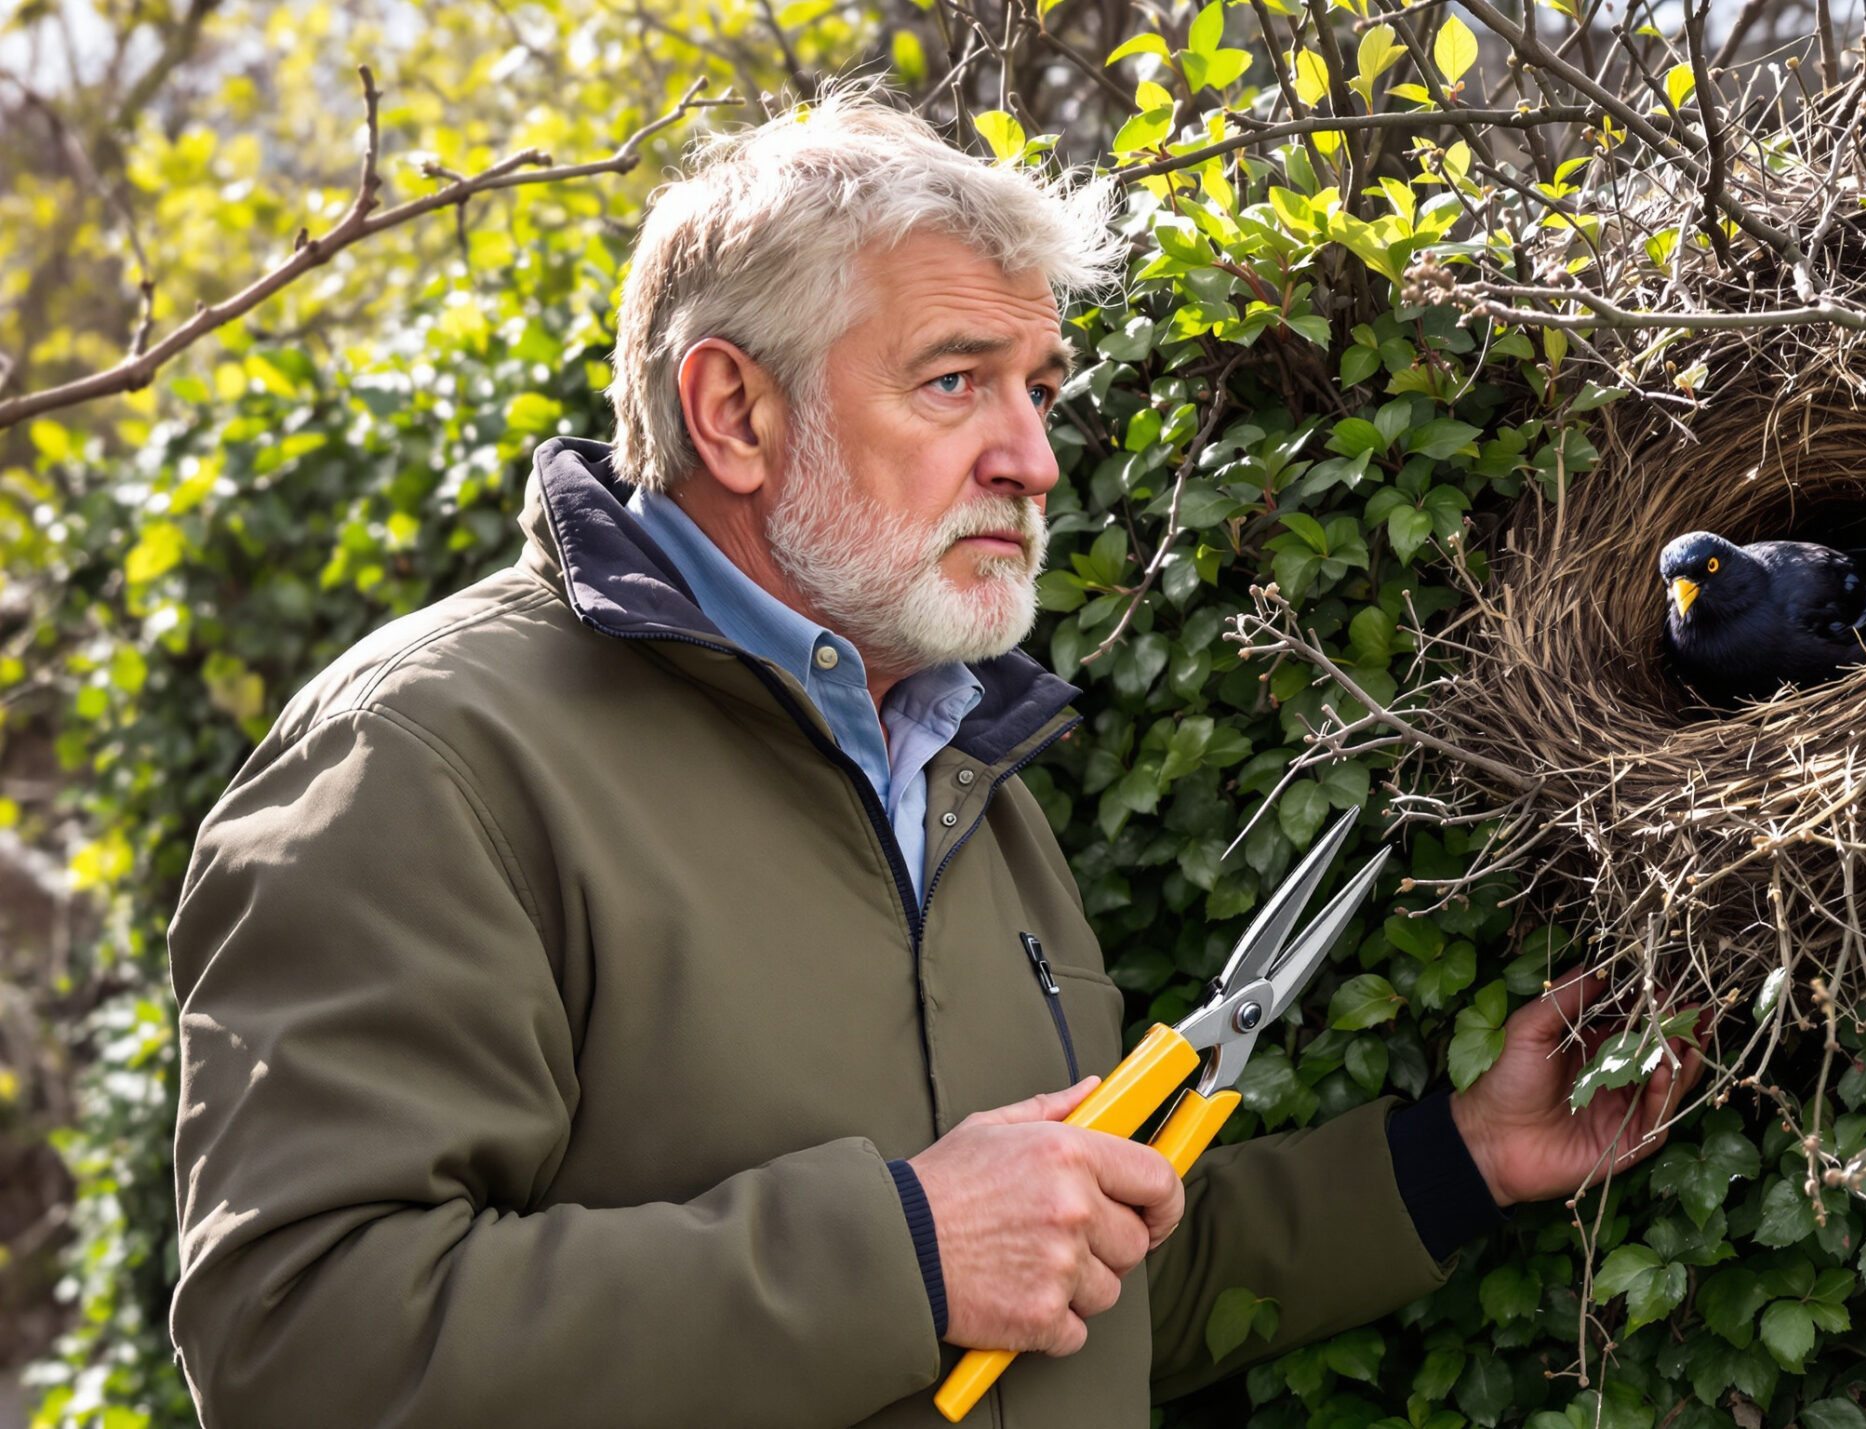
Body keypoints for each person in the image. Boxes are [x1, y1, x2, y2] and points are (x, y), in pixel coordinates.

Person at [164, 84, 1701, 1428]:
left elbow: (1071, 1291)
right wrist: (896, 1252)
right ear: (735, 413)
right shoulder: (428, 757)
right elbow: (301, 1343)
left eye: (1040, 388)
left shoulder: (964, 771)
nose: (1033, 455)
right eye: (956, 380)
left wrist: (1463, 1157)